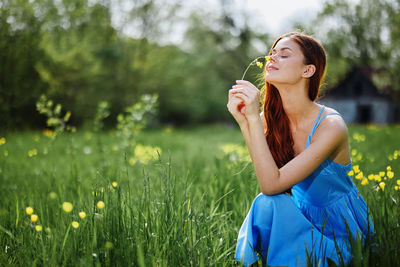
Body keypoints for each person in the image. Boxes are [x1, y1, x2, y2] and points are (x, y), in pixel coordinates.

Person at [226, 32, 374, 266]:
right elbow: (268, 184)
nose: (272, 58)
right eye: (272, 53)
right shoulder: (269, 120)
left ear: (308, 71)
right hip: (300, 215)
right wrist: (246, 122)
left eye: (284, 54)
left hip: (338, 230)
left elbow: (271, 185)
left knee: (268, 198)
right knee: (266, 203)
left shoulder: (330, 125)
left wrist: (252, 119)